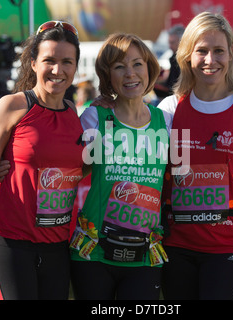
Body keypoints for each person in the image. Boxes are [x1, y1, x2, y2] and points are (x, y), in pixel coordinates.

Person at [157, 12, 233, 300]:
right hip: (176, 247)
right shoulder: (169, 109)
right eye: (201, 51)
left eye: (219, 51)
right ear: (186, 55)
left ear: (231, 55)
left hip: (228, 247)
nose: (210, 60)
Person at [0, 20, 84, 300]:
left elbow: (75, 167)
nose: (58, 70)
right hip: (9, 244)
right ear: (32, 63)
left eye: (67, 61)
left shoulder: (73, 114)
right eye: (49, 60)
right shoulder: (12, 106)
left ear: (76, 66)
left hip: (57, 247)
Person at [69, 33, 171, 300]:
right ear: (107, 74)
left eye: (138, 64)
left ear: (150, 68)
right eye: (119, 67)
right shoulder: (94, 117)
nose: (130, 74)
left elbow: (180, 179)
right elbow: (69, 170)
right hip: (94, 251)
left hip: (146, 255)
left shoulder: (167, 122)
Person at [154, 25, 185, 99]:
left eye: (172, 42)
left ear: (182, 42)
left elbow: (175, 86)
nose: (170, 46)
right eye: (169, 43)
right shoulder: (173, 58)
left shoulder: (185, 60)